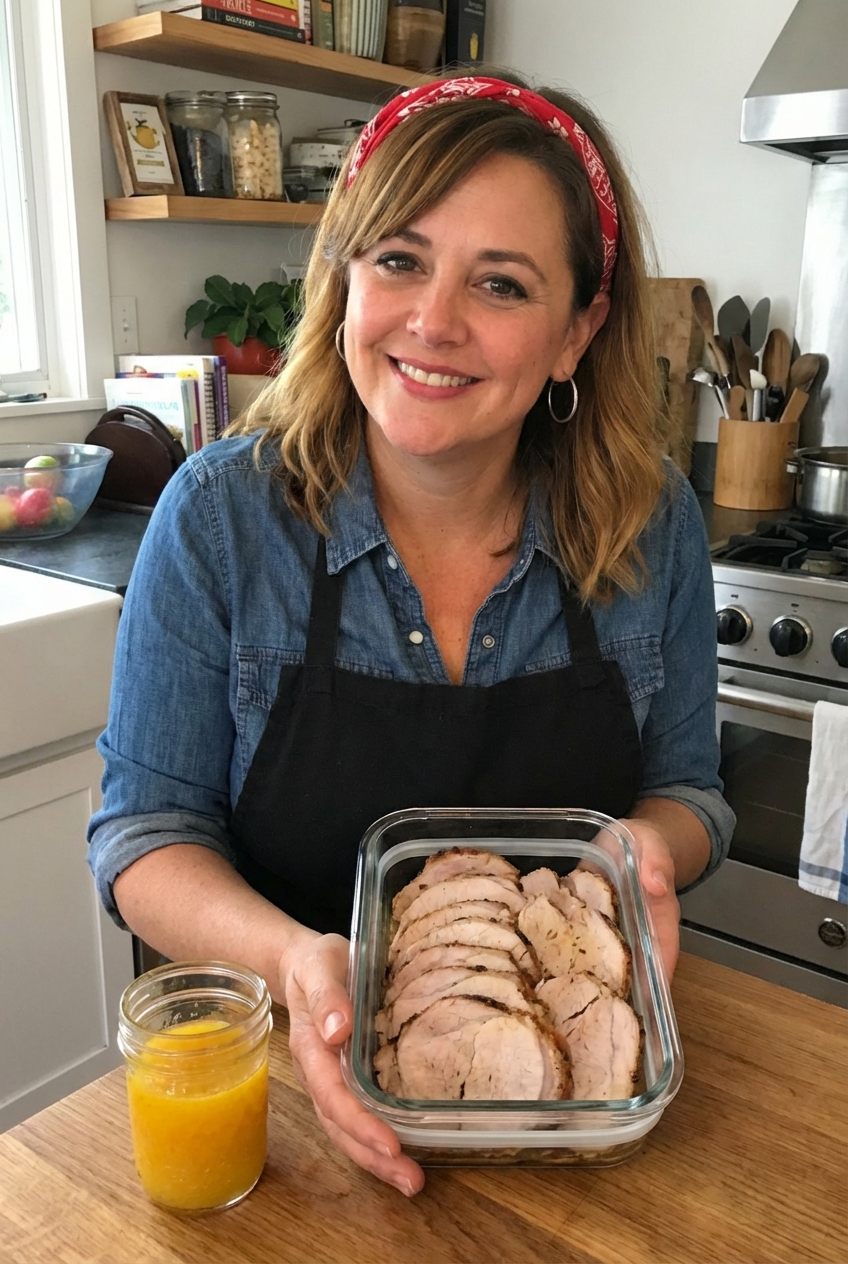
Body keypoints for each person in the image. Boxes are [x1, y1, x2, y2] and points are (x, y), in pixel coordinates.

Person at [88, 73, 734, 1198]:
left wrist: (643, 863)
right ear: (343, 276)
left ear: (577, 330)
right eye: (397, 258)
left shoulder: (653, 522)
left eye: (500, 282)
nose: (433, 321)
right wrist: (296, 963)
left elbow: (689, 791)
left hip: (582, 1125)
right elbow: (143, 835)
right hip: (289, 1116)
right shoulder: (221, 520)